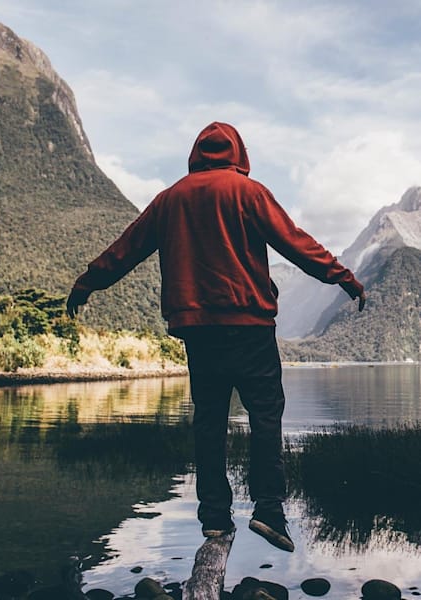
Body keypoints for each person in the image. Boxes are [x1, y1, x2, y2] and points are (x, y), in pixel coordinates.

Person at [67, 122, 365, 552]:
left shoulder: (169, 200)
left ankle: (213, 517)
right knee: (265, 414)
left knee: (209, 419)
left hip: (198, 330)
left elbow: (126, 248)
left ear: (195, 154)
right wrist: (343, 277)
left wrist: (87, 283)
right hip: (250, 327)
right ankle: (268, 511)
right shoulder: (249, 193)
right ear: (239, 153)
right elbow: (295, 243)